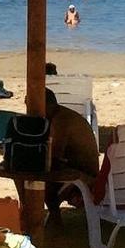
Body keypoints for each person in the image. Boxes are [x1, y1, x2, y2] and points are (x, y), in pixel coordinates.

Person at [42, 89, 100, 222]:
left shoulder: (61, 120)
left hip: (84, 174)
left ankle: (54, 220)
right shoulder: (59, 116)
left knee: (43, 179)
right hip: (76, 167)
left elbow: (55, 156)